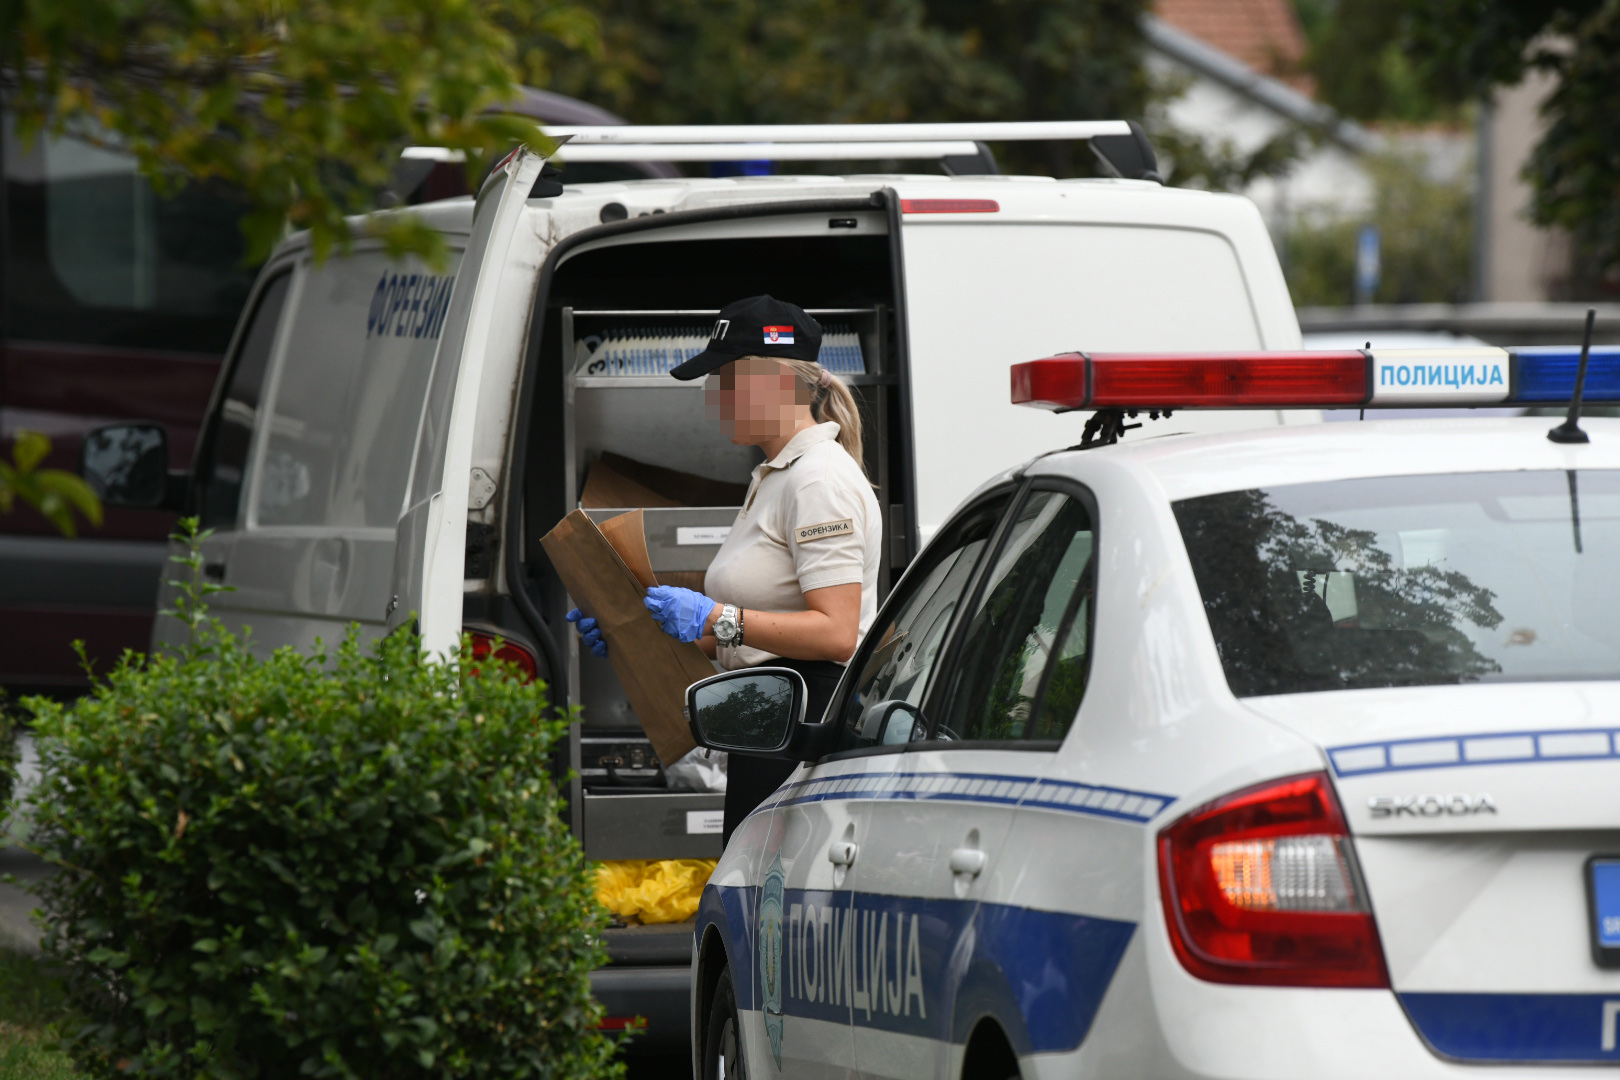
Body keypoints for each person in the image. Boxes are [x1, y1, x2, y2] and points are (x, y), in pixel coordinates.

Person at [567, 295, 881, 843]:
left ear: (774, 382)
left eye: (724, 379)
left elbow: (835, 634)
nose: (714, 396)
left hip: (802, 727)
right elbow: (767, 628)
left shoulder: (817, 481)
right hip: (769, 716)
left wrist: (718, 616)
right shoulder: (777, 475)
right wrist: (635, 631)